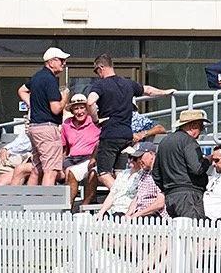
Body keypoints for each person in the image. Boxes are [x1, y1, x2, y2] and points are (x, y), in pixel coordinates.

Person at [87, 53, 174, 189]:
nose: (97, 74)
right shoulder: (128, 83)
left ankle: (121, 195)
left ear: (101, 67)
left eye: (96, 70)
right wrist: (166, 92)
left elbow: (90, 101)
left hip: (109, 135)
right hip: (127, 136)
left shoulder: (100, 85)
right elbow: (149, 90)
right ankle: (123, 197)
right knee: (120, 173)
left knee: (103, 173)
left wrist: (95, 119)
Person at [23, 46, 69, 186]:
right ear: (51, 62)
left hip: (34, 127)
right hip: (47, 128)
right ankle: (48, 206)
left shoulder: (37, 76)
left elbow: (22, 90)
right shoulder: (50, 79)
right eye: (61, 60)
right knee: (51, 170)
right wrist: (65, 97)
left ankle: (29, 203)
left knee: (37, 169)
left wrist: (33, 105)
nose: (64, 63)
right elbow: (56, 109)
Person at [154, 108, 208, 220]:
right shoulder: (189, 141)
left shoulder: (164, 142)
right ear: (192, 126)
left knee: (179, 232)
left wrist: (167, 188)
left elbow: (156, 174)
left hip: (171, 196)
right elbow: (197, 168)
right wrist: (208, 161)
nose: (201, 131)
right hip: (188, 196)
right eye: (201, 127)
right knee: (193, 232)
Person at [59, 93, 101, 206]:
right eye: (76, 108)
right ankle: (55, 203)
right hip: (71, 158)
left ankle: (70, 206)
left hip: (89, 158)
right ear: (72, 110)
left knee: (70, 172)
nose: (79, 111)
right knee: (52, 173)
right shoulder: (66, 124)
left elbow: (101, 142)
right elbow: (64, 147)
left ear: (87, 109)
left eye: (82, 107)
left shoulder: (94, 122)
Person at [120, 144, 166, 221]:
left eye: (141, 157)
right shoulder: (142, 173)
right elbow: (137, 198)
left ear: (151, 154)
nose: (139, 161)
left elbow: (160, 203)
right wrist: (128, 214)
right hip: (139, 214)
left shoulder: (160, 173)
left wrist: (137, 214)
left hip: (154, 216)